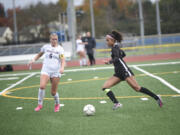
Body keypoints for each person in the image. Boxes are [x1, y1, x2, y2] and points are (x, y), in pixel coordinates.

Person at [102, 30, 163, 110]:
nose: (107, 42)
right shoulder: (115, 47)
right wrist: (116, 57)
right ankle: (117, 103)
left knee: (137, 88)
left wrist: (109, 61)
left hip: (124, 71)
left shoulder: (115, 48)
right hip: (118, 73)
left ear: (113, 40)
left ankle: (157, 97)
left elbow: (117, 57)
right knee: (105, 87)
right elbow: (123, 54)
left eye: (108, 40)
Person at [28, 33, 65, 112]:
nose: (54, 41)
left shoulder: (60, 49)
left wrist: (62, 68)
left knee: (53, 92)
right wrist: (33, 60)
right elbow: (39, 55)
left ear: (57, 40)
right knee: (42, 86)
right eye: (53, 39)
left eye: (56, 39)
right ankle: (40, 104)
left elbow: (63, 60)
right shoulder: (45, 47)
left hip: (55, 72)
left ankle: (57, 104)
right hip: (46, 70)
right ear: (50, 40)